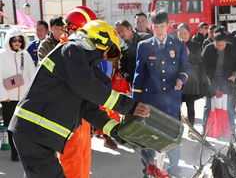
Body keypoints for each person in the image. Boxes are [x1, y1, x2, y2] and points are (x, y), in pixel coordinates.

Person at [8, 20, 151, 178]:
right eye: (109, 52)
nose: (105, 57)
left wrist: (117, 131)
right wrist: (129, 106)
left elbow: (88, 109)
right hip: (33, 131)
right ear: (100, 40)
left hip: (37, 133)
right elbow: (88, 87)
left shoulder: (80, 65)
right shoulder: (72, 50)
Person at [133, 11, 191, 178]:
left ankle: (173, 171)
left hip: (172, 101)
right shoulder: (144, 46)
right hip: (150, 101)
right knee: (148, 139)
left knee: (172, 137)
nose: (159, 30)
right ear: (152, 27)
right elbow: (139, 75)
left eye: (162, 26)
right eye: (156, 27)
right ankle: (149, 171)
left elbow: (185, 67)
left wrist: (181, 79)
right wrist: (135, 103)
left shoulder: (177, 44)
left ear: (168, 26)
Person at [59, 6, 97, 178]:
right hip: (70, 117)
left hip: (81, 117)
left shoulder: (76, 52)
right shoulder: (68, 52)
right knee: (73, 160)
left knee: (82, 158)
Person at [0, 28, 36, 161]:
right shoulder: (2, 55)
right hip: (8, 99)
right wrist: (4, 96)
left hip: (23, 98)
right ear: (9, 41)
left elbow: (32, 75)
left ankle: (23, 151)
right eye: (14, 40)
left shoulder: (25, 55)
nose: (17, 43)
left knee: (24, 127)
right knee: (11, 126)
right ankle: (14, 153)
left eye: (20, 40)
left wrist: (32, 94)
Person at [202, 31, 236, 135]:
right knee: (209, 107)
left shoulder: (231, 48)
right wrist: (206, 79)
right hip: (212, 81)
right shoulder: (208, 49)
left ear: (226, 42)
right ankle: (205, 130)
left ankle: (232, 131)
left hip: (227, 81)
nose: (220, 47)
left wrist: (234, 74)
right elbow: (202, 66)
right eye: (218, 45)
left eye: (222, 45)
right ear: (214, 42)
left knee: (229, 108)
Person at [177, 23, 202, 130]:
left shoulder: (195, 45)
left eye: (185, 33)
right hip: (177, 81)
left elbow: (199, 61)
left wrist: (189, 54)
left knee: (190, 106)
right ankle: (177, 128)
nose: (182, 35)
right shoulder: (174, 45)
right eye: (180, 33)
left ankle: (191, 129)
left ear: (189, 33)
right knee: (176, 106)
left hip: (190, 81)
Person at [117, 20, 151, 84]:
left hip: (150, 81)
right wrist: (126, 76)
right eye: (118, 33)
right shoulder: (122, 48)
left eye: (122, 31)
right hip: (135, 83)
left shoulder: (146, 38)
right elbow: (122, 67)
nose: (121, 34)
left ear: (129, 28)